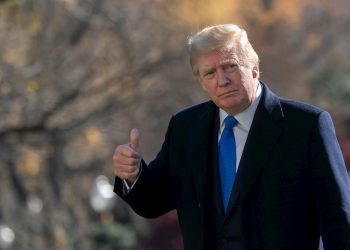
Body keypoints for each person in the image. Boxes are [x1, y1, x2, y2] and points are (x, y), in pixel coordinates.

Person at [112, 24, 350, 250]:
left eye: (230, 66)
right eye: (210, 73)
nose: (222, 81)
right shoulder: (185, 129)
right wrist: (133, 175)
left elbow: (338, 220)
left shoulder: (306, 126)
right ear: (201, 82)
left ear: (254, 67)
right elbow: (155, 202)